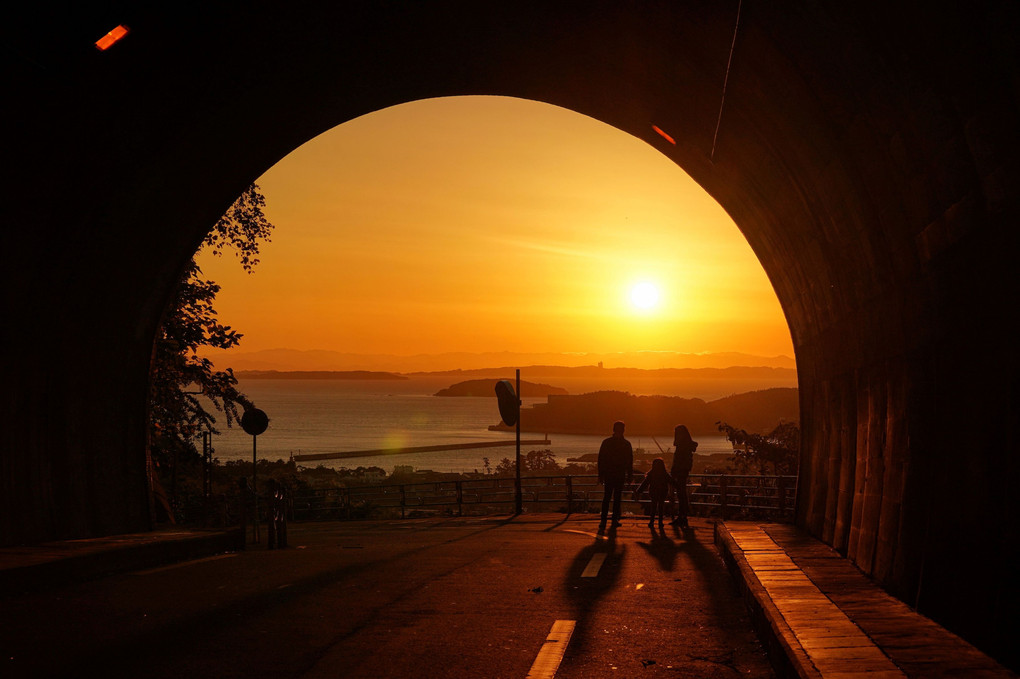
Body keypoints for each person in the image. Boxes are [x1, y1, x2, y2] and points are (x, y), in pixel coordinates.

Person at [597, 420, 634, 530]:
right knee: (616, 498)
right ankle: (614, 519)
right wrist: (629, 475)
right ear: (623, 430)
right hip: (619, 474)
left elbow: (601, 459)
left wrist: (601, 474)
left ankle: (604, 520)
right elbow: (629, 461)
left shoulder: (606, 442)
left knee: (607, 497)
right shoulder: (626, 444)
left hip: (609, 473)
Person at [633, 457, 681, 528]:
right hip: (663, 492)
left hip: (653, 491)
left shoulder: (651, 474)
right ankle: (660, 522)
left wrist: (638, 491)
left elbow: (645, 483)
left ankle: (651, 522)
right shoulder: (665, 474)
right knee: (661, 507)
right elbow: (672, 482)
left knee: (653, 506)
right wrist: (679, 487)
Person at [670, 424, 698, 528]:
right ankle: (682, 515)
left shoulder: (682, 446)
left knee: (681, 494)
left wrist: (674, 470)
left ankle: (682, 515)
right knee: (681, 494)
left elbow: (678, 461)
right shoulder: (686, 446)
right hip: (682, 471)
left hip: (680, 472)